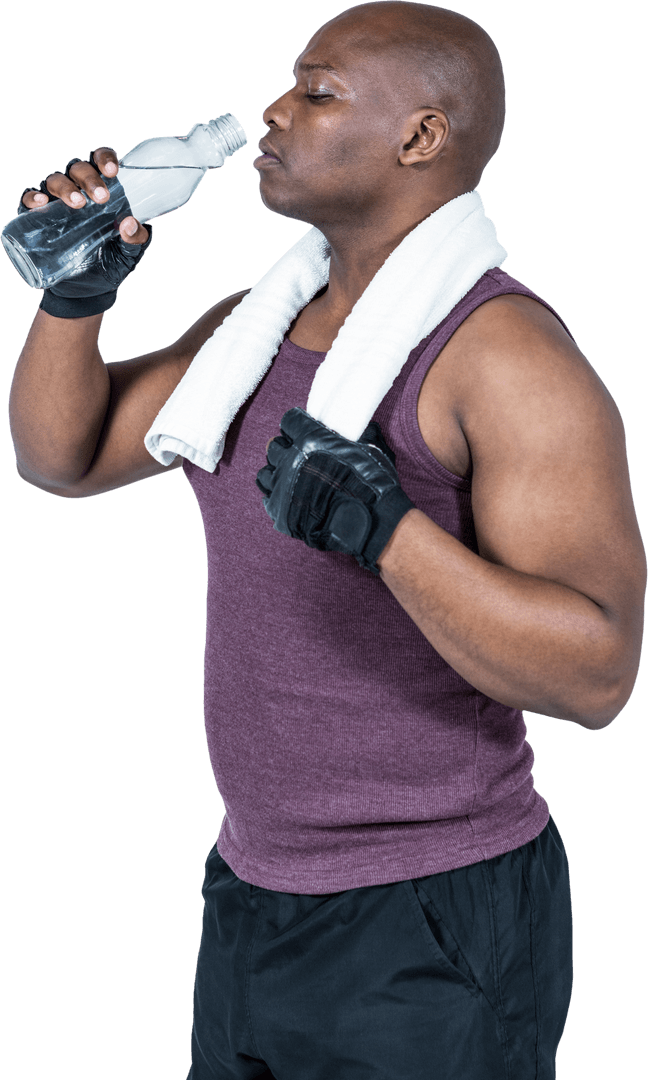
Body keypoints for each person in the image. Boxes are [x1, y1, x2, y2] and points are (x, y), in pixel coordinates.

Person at [8, 1, 646, 1077]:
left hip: (436, 909)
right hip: (252, 892)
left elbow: (600, 675)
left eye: (318, 91)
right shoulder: (252, 331)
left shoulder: (505, 361)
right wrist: (75, 304)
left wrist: (389, 535)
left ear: (422, 138)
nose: (274, 109)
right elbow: (62, 458)